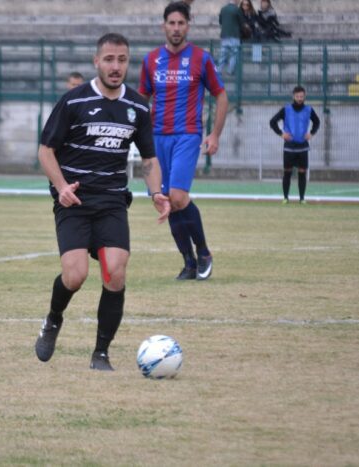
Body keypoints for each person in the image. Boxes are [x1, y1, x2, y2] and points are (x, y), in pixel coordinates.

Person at [35, 32, 171, 371]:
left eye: (122, 60)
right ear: (97, 62)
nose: (115, 66)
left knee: (115, 274)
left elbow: (149, 159)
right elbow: (45, 150)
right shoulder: (74, 101)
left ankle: (101, 353)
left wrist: (156, 192)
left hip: (112, 201)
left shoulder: (138, 105)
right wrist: (62, 186)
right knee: (76, 276)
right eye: (109, 60)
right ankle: (53, 319)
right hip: (75, 202)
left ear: (128, 63)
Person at [139, 1, 228, 281]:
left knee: (177, 197)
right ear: (163, 25)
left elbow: (221, 96)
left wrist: (214, 134)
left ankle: (203, 252)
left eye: (181, 23)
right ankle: (188, 261)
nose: (176, 28)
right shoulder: (150, 60)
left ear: (188, 26)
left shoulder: (201, 58)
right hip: (156, 138)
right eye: (171, 23)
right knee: (167, 200)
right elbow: (142, 100)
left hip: (187, 135)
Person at [269, 85, 320, 204]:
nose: (300, 98)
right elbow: (272, 122)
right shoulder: (286, 109)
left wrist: (311, 133)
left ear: (304, 96)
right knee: (287, 172)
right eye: (297, 96)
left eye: (302, 96)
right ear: (293, 96)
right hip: (289, 148)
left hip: (303, 147)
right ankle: (285, 198)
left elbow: (317, 122)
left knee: (302, 172)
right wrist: (281, 134)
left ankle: (302, 199)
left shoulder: (309, 109)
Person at [218, 0, 245, 75]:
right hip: (235, 35)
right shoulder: (237, 9)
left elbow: (220, 21)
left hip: (224, 35)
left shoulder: (223, 9)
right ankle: (230, 71)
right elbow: (242, 22)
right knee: (234, 54)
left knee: (223, 54)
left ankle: (219, 70)